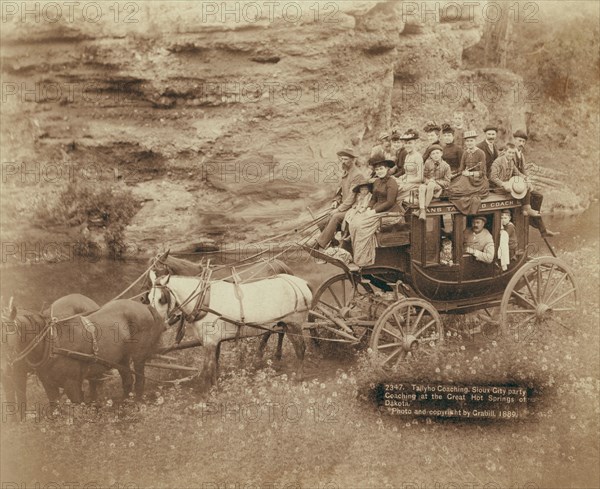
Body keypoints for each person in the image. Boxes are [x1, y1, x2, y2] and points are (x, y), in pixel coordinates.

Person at [349, 159, 398, 267]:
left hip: (390, 212)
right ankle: (356, 256)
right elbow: (373, 199)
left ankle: (364, 260)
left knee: (362, 226)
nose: (379, 171)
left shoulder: (392, 182)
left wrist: (374, 211)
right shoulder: (376, 182)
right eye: (377, 169)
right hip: (376, 210)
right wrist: (368, 208)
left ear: (387, 169)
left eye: (381, 169)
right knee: (354, 223)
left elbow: (390, 202)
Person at [512, 129, 559, 237]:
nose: (521, 144)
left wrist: (527, 179)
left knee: (538, 196)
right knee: (526, 187)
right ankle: (531, 215)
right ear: (514, 140)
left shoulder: (521, 155)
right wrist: (525, 179)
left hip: (520, 181)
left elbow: (523, 170)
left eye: (523, 142)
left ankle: (534, 221)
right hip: (512, 182)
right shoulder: (510, 152)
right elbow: (512, 169)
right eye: (519, 141)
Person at [314, 148, 363, 250]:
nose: (343, 162)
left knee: (335, 217)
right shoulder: (345, 173)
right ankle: (333, 243)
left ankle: (319, 244)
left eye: (345, 159)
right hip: (344, 207)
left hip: (354, 208)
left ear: (353, 160)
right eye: (341, 159)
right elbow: (339, 191)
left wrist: (339, 209)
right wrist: (336, 201)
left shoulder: (357, 175)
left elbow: (351, 197)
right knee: (321, 220)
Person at [489, 143, 540, 217]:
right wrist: (503, 184)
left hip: (508, 185)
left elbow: (517, 173)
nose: (511, 155)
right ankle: (524, 210)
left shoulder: (511, 162)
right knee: (519, 188)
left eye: (513, 153)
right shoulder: (497, 162)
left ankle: (526, 209)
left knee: (526, 184)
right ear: (505, 152)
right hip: (498, 188)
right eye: (509, 152)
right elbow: (493, 177)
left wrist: (526, 178)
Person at [448, 130, 489, 215]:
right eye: (467, 141)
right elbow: (461, 169)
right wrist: (452, 174)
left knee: (457, 192)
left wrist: (470, 174)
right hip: (467, 178)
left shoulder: (481, 153)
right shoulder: (465, 153)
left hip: (478, 181)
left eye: (471, 141)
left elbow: (483, 173)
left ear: (475, 141)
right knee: (452, 189)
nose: (469, 143)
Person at [417, 145, 452, 220]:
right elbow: (423, 177)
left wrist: (435, 181)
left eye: (437, 153)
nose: (435, 155)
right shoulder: (428, 163)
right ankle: (422, 209)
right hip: (429, 185)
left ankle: (424, 210)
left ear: (441, 153)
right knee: (422, 187)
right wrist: (428, 181)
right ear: (430, 155)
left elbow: (447, 182)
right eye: (433, 154)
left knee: (431, 184)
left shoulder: (446, 166)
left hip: (439, 189)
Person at [395, 129, 424, 204]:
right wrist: (400, 178)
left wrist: (406, 181)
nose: (407, 145)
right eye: (405, 143)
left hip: (414, 185)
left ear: (415, 143)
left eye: (410, 143)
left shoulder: (418, 157)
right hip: (406, 182)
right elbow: (408, 173)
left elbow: (420, 178)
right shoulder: (407, 156)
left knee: (394, 195)